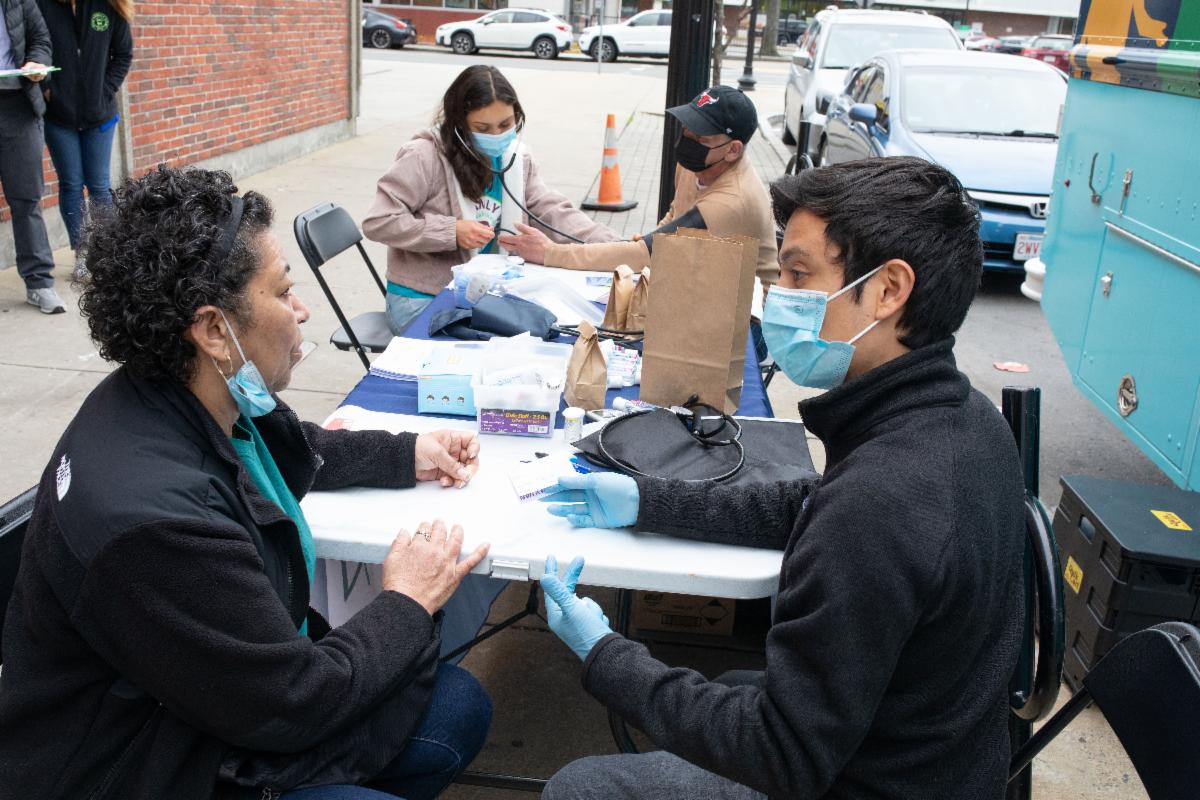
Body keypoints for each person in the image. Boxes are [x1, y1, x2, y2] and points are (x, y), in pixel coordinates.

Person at [537, 157, 1027, 799]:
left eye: (800, 274)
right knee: (738, 686)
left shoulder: (882, 500)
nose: (781, 296)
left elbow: (782, 753)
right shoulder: (964, 417)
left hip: (869, 780)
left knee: (580, 788)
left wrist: (605, 653)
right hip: (942, 754)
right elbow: (814, 505)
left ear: (888, 290)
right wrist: (649, 501)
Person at [0, 166, 494, 800]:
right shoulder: (154, 524)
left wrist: (408, 452)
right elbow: (293, 703)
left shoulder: (177, 393)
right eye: (284, 291)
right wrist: (404, 601)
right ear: (213, 330)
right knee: (426, 696)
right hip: (134, 765)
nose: (303, 309)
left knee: (456, 707)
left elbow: (292, 446)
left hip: (205, 705)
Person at [363, 64, 622, 336]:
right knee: (502, 342)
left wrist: (617, 246)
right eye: (482, 127)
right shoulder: (422, 156)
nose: (497, 135)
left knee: (549, 329)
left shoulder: (516, 159)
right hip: (422, 297)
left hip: (488, 292)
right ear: (458, 123)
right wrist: (451, 231)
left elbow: (552, 210)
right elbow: (380, 221)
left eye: (505, 125)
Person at [499, 85, 779, 296]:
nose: (688, 138)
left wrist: (550, 253)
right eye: (687, 127)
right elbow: (674, 214)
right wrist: (646, 242)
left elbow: (648, 254)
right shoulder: (700, 164)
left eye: (701, 136)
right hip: (705, 284)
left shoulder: (733, 200)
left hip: (747, 320)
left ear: (733, 150)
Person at [38, 0, 133, 255]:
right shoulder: (43, 5)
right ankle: (82, 253)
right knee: (71, 184)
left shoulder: (108, 6)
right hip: (58, 115)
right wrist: (48, 88)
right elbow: (33, 47)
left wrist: (104, 90)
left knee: (99, 185)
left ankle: (110, 253)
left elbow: (123, 54)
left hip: (99, 115)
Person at [0, 0, 63, 313]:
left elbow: (41, 39)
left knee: (27, 198)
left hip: (17, 106)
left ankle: (39, 283)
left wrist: (37, 62)